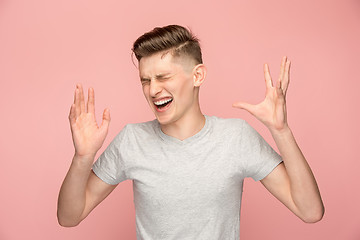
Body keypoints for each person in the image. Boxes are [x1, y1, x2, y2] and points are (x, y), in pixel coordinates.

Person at [57, 25, 324, 239]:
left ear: (197, 76)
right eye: (146, 81)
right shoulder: (131, 140)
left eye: (163, 77)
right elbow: (69, 217)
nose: (152, 90)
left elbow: (310, 211)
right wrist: (82, 157)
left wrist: (281, 130)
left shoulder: (236, 137)